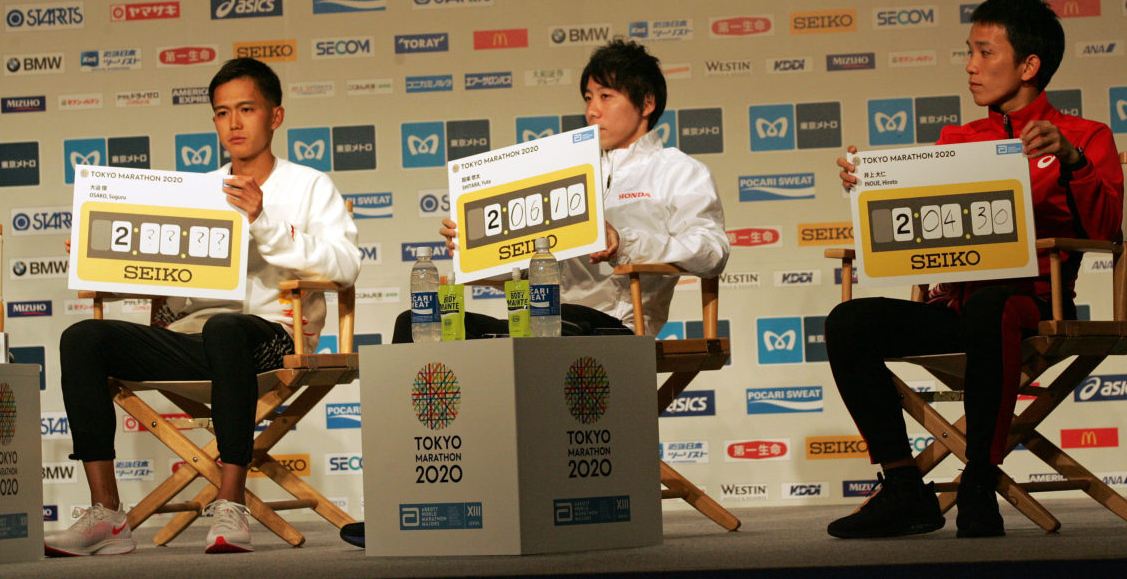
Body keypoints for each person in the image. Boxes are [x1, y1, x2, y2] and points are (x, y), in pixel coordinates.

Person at [340, 37, 729, 547]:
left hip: (614, 325)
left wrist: (624, 241)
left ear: (647, 103)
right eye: (587, 97)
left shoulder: (679, 171)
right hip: (541, 316)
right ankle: (403, 502)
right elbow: (527, 267)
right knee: (415, 324)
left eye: (606, 96)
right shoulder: (562, 173)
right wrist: (477, 249)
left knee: (547, 338)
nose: (592, 110)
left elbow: (712, 250)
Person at [825, 0, 1123, 539]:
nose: (970, 65)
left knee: (991, 305)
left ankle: (979, 481)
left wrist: (1073, 160)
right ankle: (904, 486)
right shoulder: (958, 140)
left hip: (1035, 305)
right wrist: (868, 187)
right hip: (957, 306)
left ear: (1028, 66)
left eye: (985, 52)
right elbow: (921, 225)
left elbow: (1105, 231)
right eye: (969, 51)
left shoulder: (1084, 137)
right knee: (848, 323)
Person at [45, 58, 361, 556]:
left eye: (246, 109)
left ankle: (230, 503)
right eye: (222, 112)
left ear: (275, 116)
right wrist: (101, 257)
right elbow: (171, 279)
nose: (233, 123)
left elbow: (346, 265)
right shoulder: (198, 192)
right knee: (82, 338)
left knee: (226, 328)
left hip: (272, 338)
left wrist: (262, 220)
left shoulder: (309, 185)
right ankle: (107, 513)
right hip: (196, 339)